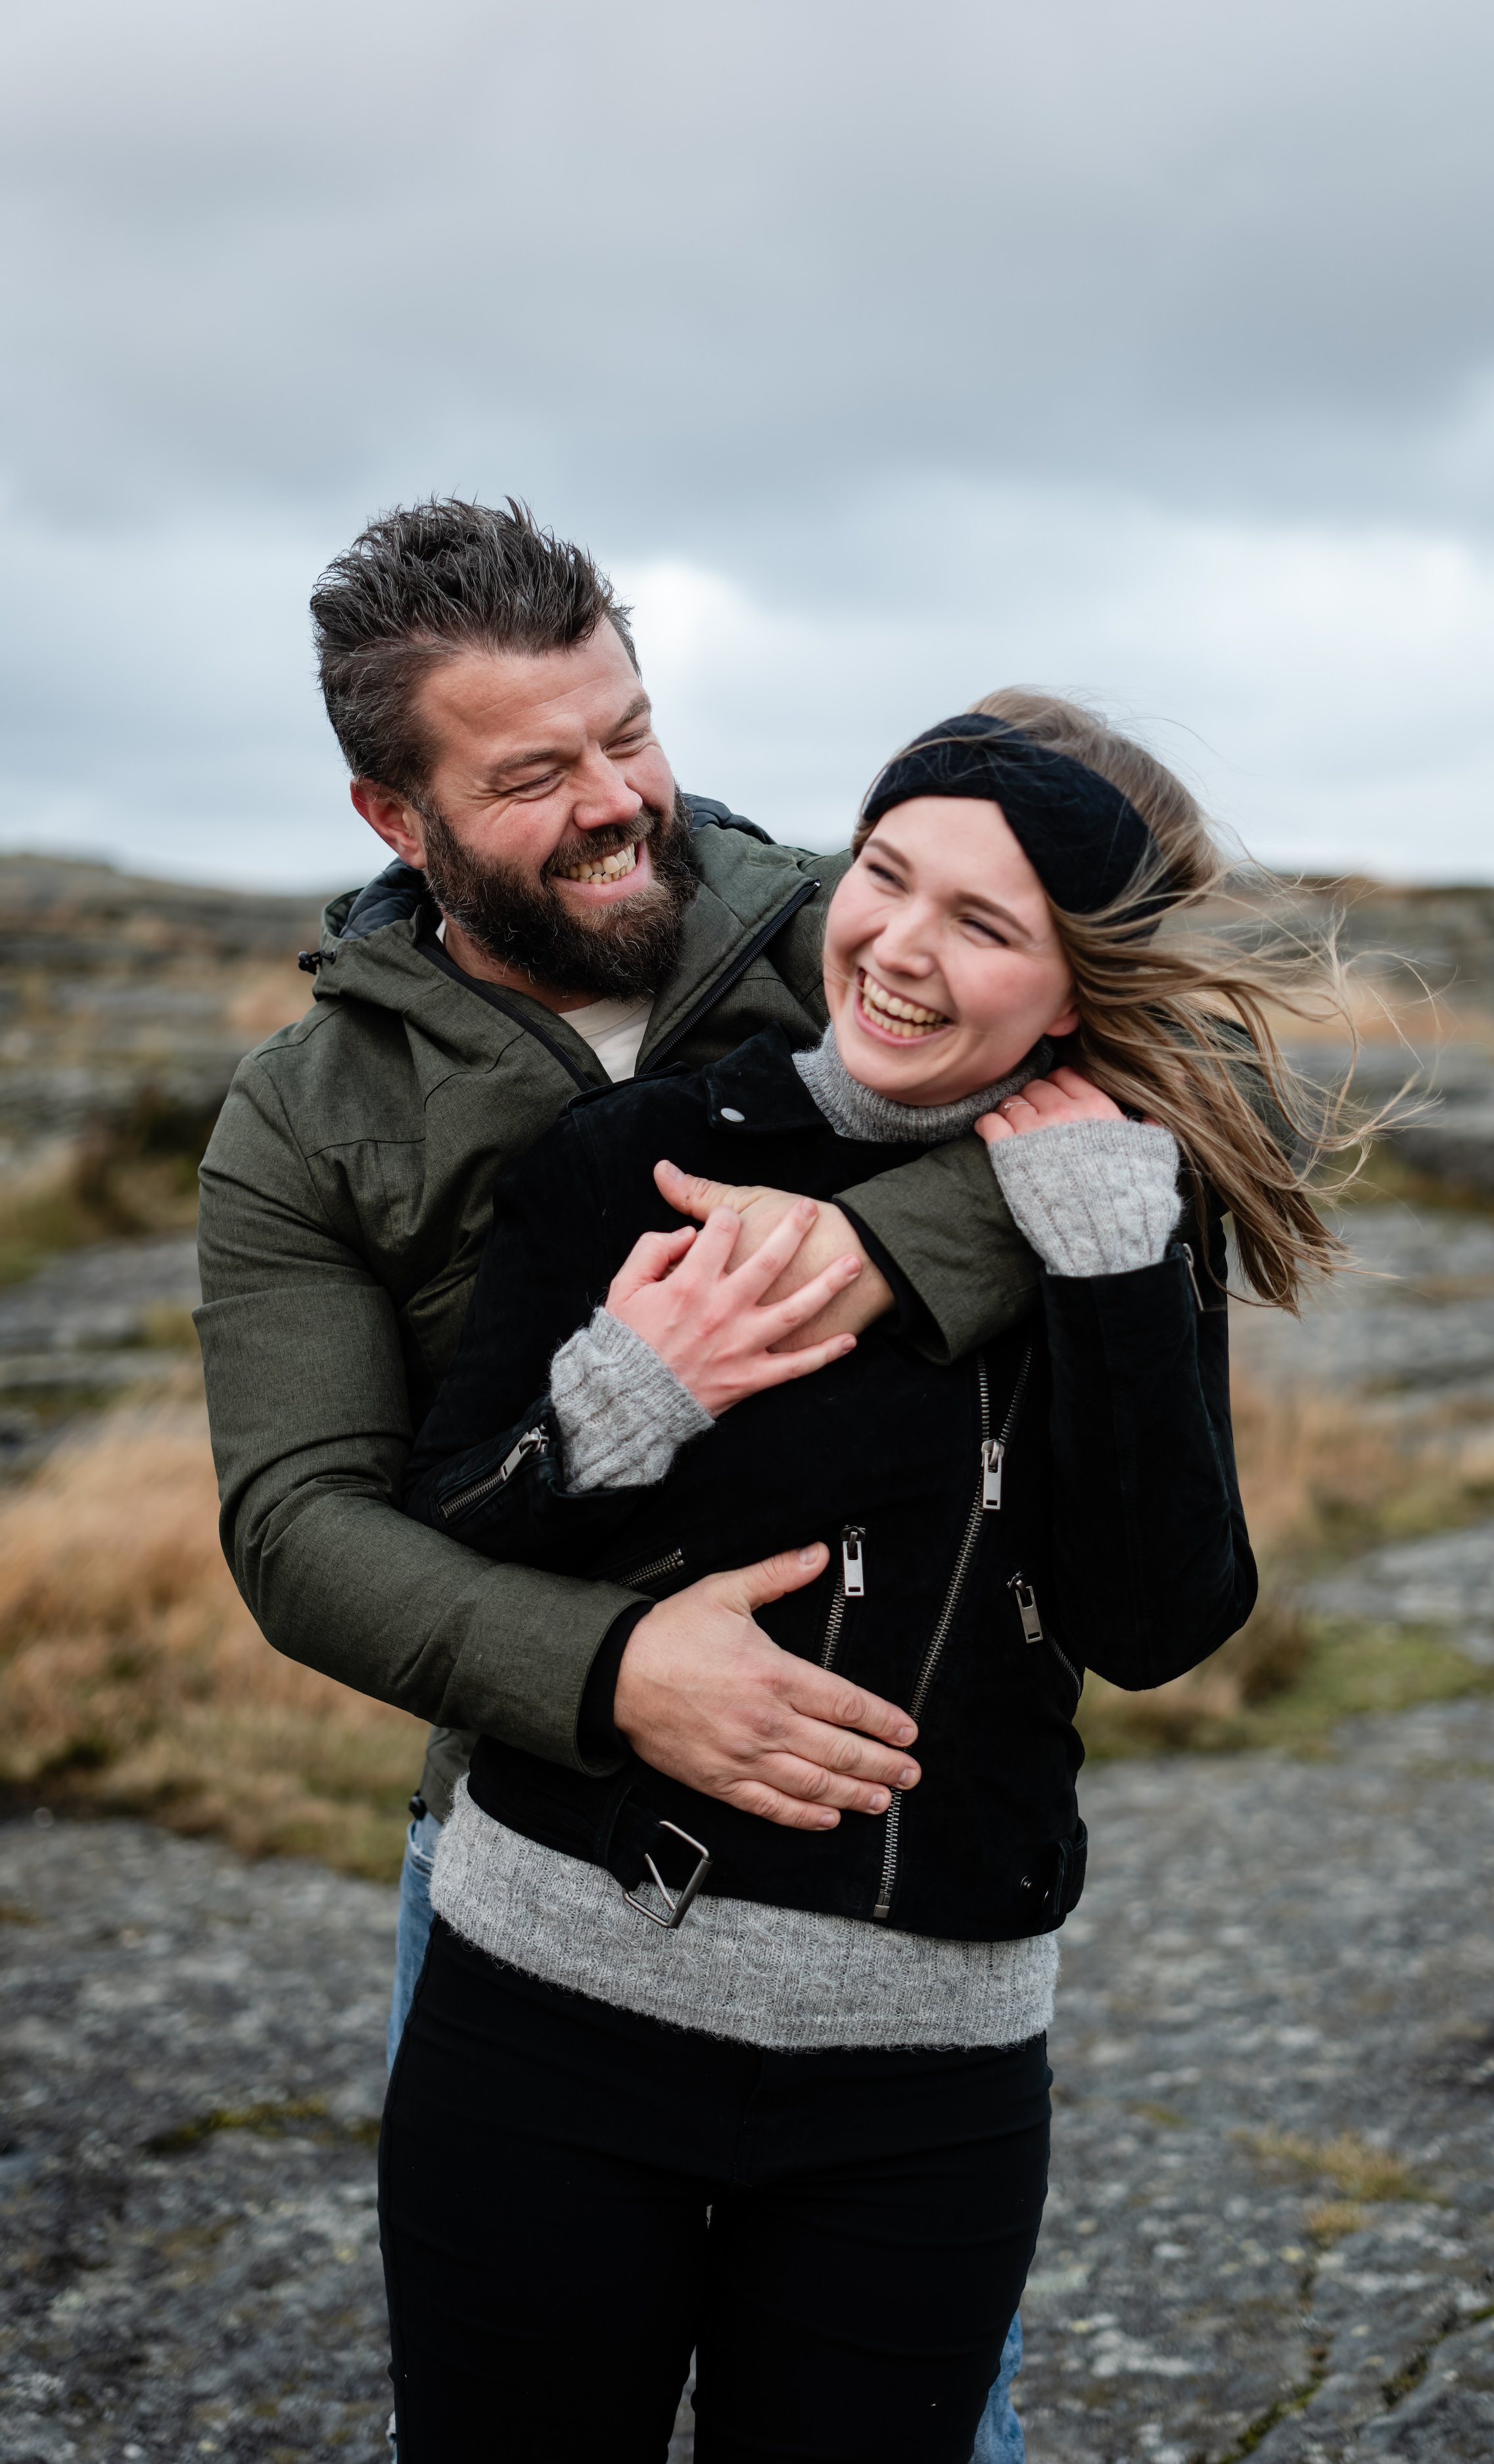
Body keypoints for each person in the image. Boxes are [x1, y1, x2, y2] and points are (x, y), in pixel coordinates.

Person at [196, 501, 1064, 2461]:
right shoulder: (308, 1113)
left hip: (902, 1888)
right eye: (532, 776)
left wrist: (903, 1247)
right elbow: (298, 1527)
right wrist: (612, 1672)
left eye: (630, 732)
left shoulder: (846, 925)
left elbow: (1196, 1080)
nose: (619, 804)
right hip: (526, 1872)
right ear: (390, 817)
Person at [386, 695, 1341, 2459]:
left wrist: (1116, 1276)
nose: (899, 948)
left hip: (927, 2079)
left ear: (1074, 991)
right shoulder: (632, 1158)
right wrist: (623, 1395)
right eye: (884, 877)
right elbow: (451, 1533)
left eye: (981, 925)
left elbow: (1156, 1622)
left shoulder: (1118, 1210)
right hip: (551, 2026)